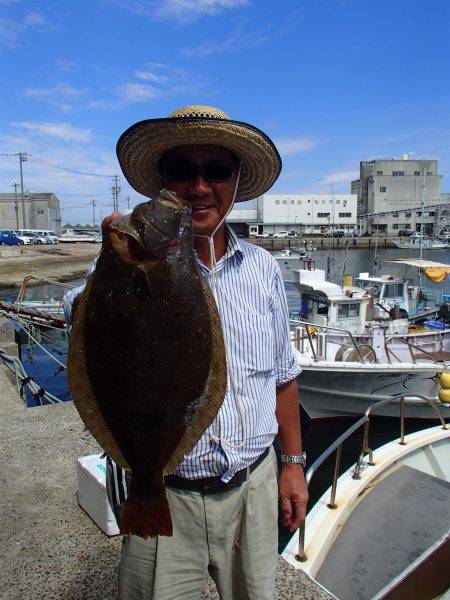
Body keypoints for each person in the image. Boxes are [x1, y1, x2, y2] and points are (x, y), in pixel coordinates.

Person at [64, 105, 308, 600]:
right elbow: (77, 312)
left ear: (237, 181)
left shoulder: (262, 270)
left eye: (216, 171)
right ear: (161, 183)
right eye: (181, 171)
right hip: (167, 491)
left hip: (253, 487)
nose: (199, 187)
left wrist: (293, 464)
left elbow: (283, 376)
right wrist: (111, 261)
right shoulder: (124, 264)